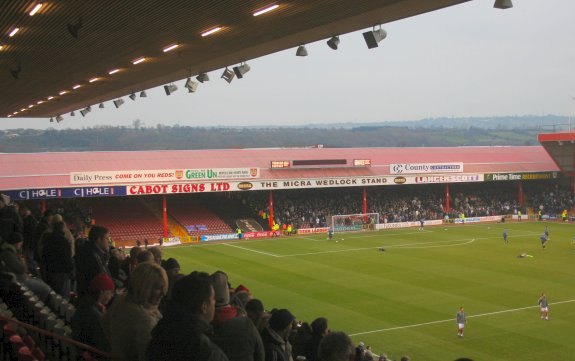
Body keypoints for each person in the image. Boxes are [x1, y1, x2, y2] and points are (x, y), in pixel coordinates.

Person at [146, 271, 229, 361]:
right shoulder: (208, 353)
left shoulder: (159, 333)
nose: (215, 302)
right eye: (213, 298)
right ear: (204, 306)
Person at [102, 262, 168, 361]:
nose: (163, 293)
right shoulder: (144, 320)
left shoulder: (121, 300)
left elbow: (104, 324)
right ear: (144, 287)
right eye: (158, 288)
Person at [71, 272, 115, 356]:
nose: (111, 296)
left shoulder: (84, 304)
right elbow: (104, 346)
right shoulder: (94, 314)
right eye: (110, 292)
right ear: (102, 291)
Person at [75, 225, 112, 297]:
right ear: (98, 240)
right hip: (93, 297)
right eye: (106, 238)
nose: (109, 242)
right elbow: (100, 276)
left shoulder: (91, 251)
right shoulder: (91, 255)